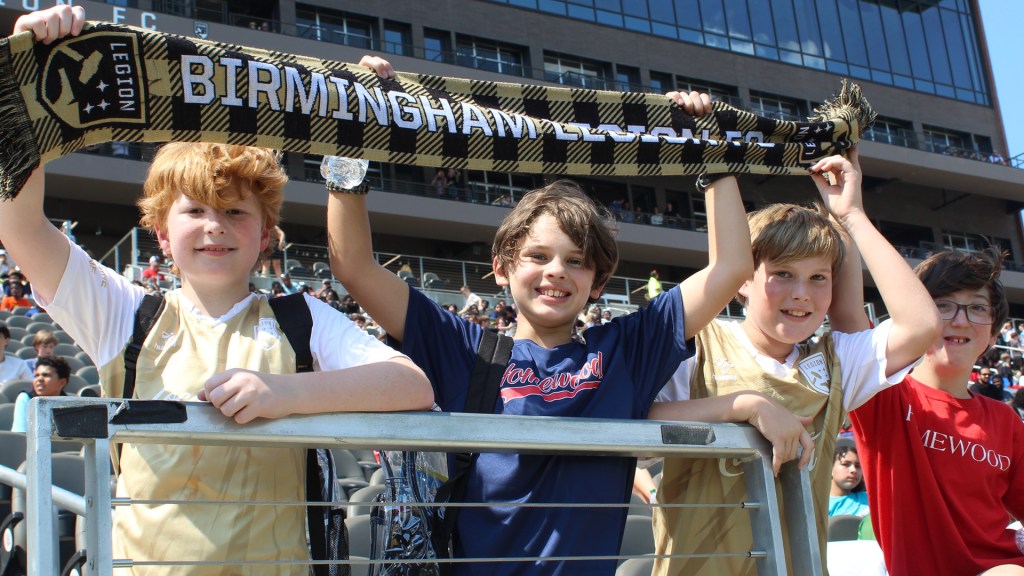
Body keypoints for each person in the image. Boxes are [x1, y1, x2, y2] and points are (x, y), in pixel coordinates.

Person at [8, 10, 433, 576]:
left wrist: (283, 393)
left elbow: (412, 386)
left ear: (264, 235)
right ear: (161, 232)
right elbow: (20, 229)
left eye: (235, 212)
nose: (215, 226)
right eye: (194, 211)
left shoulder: (299, 318)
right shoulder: (123, 311)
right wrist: (27, 75)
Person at [329, 55, 752, 576]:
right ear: (502, 268)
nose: (556, 272)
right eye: (537, 256)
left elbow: (732, 266)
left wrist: (712, 150)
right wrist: (349, 122)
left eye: (576, 262)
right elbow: (352, 266)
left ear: (597, 284)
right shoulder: (464, 347)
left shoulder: (624, 352)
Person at [648, 144, 941, 576]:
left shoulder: (837, 362)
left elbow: (921, 324)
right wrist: (744, 407)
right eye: (782, 274)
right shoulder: (697, 343)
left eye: (817, 278)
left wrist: (852, 216)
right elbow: (639, 421)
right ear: (744, 279)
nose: (801, 293)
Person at [849, 248, 1024, 576]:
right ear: (920, 317)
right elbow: (849, 316)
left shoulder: (1006, 421)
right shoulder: (884, 397)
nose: (960, 319)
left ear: (995, 334)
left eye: (976, 307)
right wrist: (850, 218)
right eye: (942, 305)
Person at [10, 355, 70, 433]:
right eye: (36, 375)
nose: (39, 379)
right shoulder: (26, 399)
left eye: (46, 375)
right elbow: (20, 437)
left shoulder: (70, 404)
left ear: (62, 382)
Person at [828, 440, 869, 517]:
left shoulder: (872, 500)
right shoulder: (820, 506)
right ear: (830, 468)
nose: (853, 470)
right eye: (845, 464)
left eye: (858, 466)